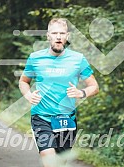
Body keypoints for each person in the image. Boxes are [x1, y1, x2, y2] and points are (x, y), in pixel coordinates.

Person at [19, 18, 99, 166]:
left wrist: (81, 93)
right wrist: (28, 95)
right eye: (54, 33)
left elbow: (94, 86)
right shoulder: (35, 58)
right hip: (41, 117)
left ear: (67, 36)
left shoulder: (78, 59)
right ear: (48, 36)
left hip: (66, 119)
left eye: (62, 33)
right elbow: (24, 81)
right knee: (49, 159)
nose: (58, 36)